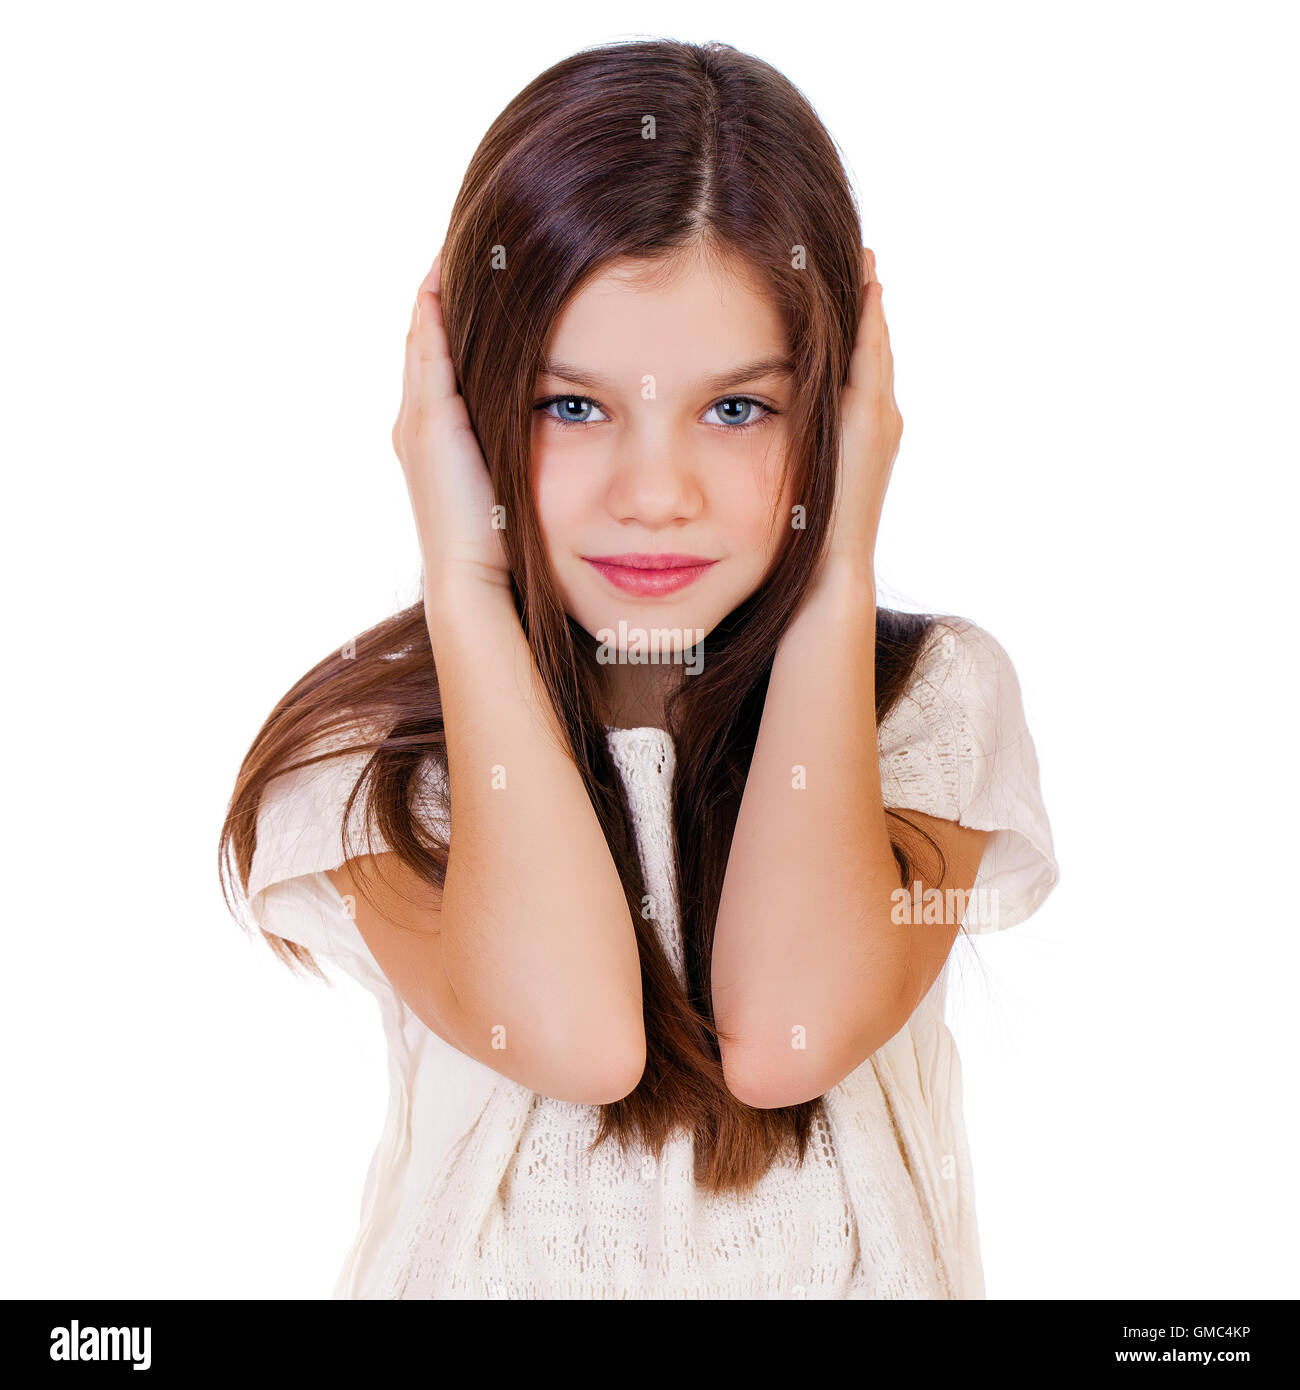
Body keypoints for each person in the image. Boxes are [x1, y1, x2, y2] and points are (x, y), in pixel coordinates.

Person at [219, 38, 1058, 1300]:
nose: (653, 496)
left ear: (836, 409)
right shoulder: (376, 764)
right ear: (470, 404)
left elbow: (782, 1037)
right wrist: (464, 577)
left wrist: (837, 567)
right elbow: (580, 1040)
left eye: (737, 411)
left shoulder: (925, 705)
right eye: (570, 406)